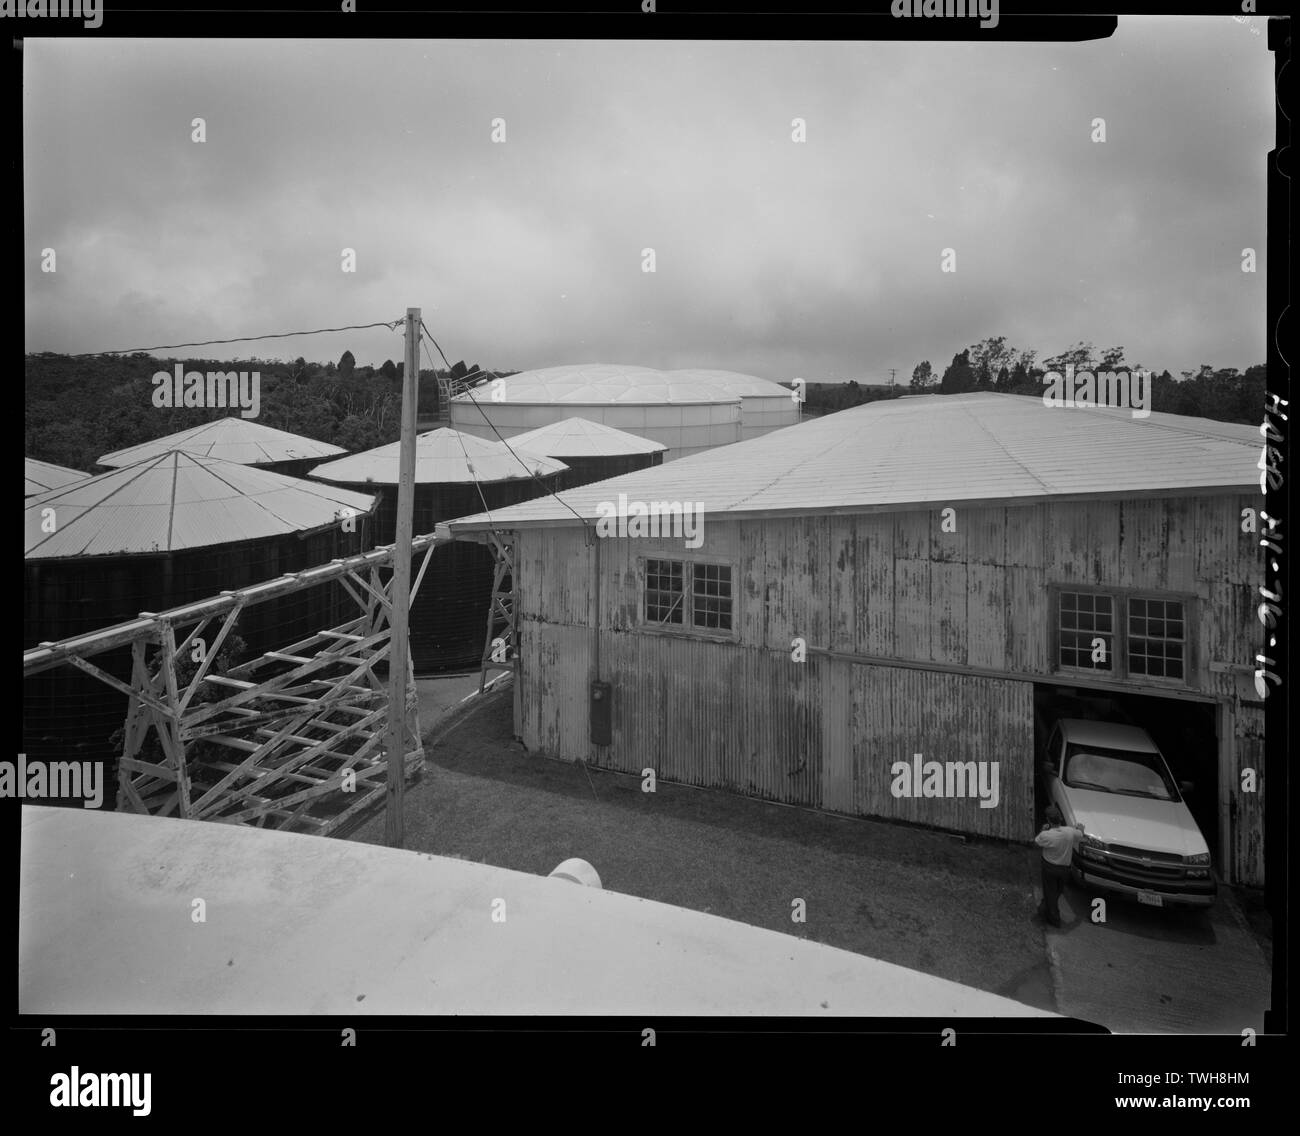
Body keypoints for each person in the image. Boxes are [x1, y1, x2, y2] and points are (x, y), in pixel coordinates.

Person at [1035, 805, 1085, 927]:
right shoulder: (1070, 832)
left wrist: (1043, 829)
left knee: (1050, 891)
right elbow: (1081, 834)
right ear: (1060, 819)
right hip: (1065, 869)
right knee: (1057, 891)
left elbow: (1037, 841)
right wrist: (1080, 828)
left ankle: (1053, 919)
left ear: (1048, 820)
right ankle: (1046, 906)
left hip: (1049, 867)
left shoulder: (1046, 835)